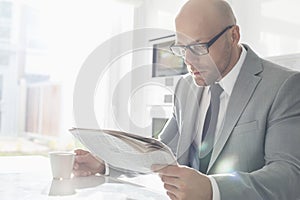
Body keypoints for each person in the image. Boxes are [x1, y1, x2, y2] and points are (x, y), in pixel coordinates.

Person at [73, 0, 300, 199]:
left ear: (234, 36)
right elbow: (162, 153)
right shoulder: (185, 86)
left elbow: (290, 175)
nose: (189, 61)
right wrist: (106, 162)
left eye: (199, 48)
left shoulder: (284, 86)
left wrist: (213, 189)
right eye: (182, 49)